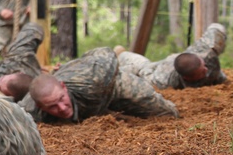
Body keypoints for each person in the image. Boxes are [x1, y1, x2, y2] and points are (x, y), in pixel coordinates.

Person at [21, 47, 179, 124]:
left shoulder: (93, 80)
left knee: (165, 113)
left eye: (62, 99)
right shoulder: (29, 110)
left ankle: (125, 56)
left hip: (110, 84)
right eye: (52, 106)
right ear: (39, 106)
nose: (62, 108)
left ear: (64, 87)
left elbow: (106, 55)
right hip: (79, 78)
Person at [117, 23, 227, 90]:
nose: (206, 69)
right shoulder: (163, 81)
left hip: (185, 58)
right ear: (187, 78)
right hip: (163, 67)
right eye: (202, 72)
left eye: (204, 66)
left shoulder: (206, 52)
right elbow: (143, 75)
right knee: (144, 66)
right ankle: (121, 55)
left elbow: (216, 28)